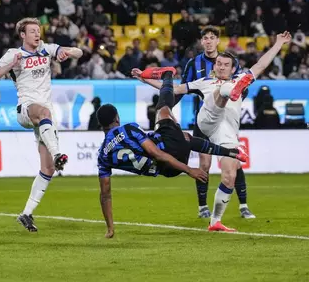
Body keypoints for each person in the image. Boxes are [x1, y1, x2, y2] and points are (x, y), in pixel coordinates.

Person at [137, 31, 291, 232]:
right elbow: (173, 89)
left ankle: (215, 221)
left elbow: (261, 64)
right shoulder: (204, 82)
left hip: (226, 131)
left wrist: (278, 43)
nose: (221, 66)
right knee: (222, 91)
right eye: (218, 64)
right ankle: (228, 92)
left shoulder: (239, 77)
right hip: (207, 121)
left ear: (233, 67)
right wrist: (144, 79)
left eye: (226, 65)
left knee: (229, 176)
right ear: (215, 65)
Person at [96, 66, 246, 239]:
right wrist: (189, 170)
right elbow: (157, 153)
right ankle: (168, 73)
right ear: (117, 118)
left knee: (185, 137)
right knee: (164, 110)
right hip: (170, 151)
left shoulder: (102, 156)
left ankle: (231, 152)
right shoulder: (127, 129)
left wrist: (110, 228)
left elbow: (105, 194)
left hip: (168, 171)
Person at [0, 17, 83, 232]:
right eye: (32, 32)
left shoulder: (47, 49)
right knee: (45, 112)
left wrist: (69, 53)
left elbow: (79, 52)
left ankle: (26, 214)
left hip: (46, 118)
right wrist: (12, 64)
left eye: (38, 31)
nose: (37, 35)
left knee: (47, 169)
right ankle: (59, 154)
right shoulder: (13, 54)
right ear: (22, 35)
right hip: (27, 108)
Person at [180, 27, 255, 219]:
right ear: (202, 41)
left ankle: (244, 205)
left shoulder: (231, 62)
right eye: (205, 38)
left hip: (226, 119)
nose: (208, 41)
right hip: (205, 118)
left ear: (217, 41)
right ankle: (202, 207)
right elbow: (182, 88)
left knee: (234, 163)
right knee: (204, 165)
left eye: (212, 38)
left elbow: (241, 85)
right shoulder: (193, 63)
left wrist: (236, 100)